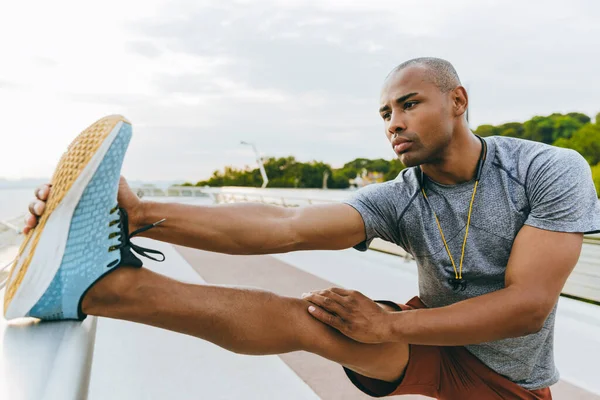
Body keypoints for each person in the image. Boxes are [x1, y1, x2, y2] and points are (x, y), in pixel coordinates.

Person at [9, 57, 600, 399]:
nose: (393, 123)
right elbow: (281, 225)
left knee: (366, 321)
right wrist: (139, 215)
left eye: (410, 103)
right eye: (385, 113)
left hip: (506, 382)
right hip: (429, 342)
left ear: (459, 100)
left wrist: (391, 320)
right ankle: (104, 289)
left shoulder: (545, 170)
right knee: (313, 320)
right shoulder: (401, 195)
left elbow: (527, 304)